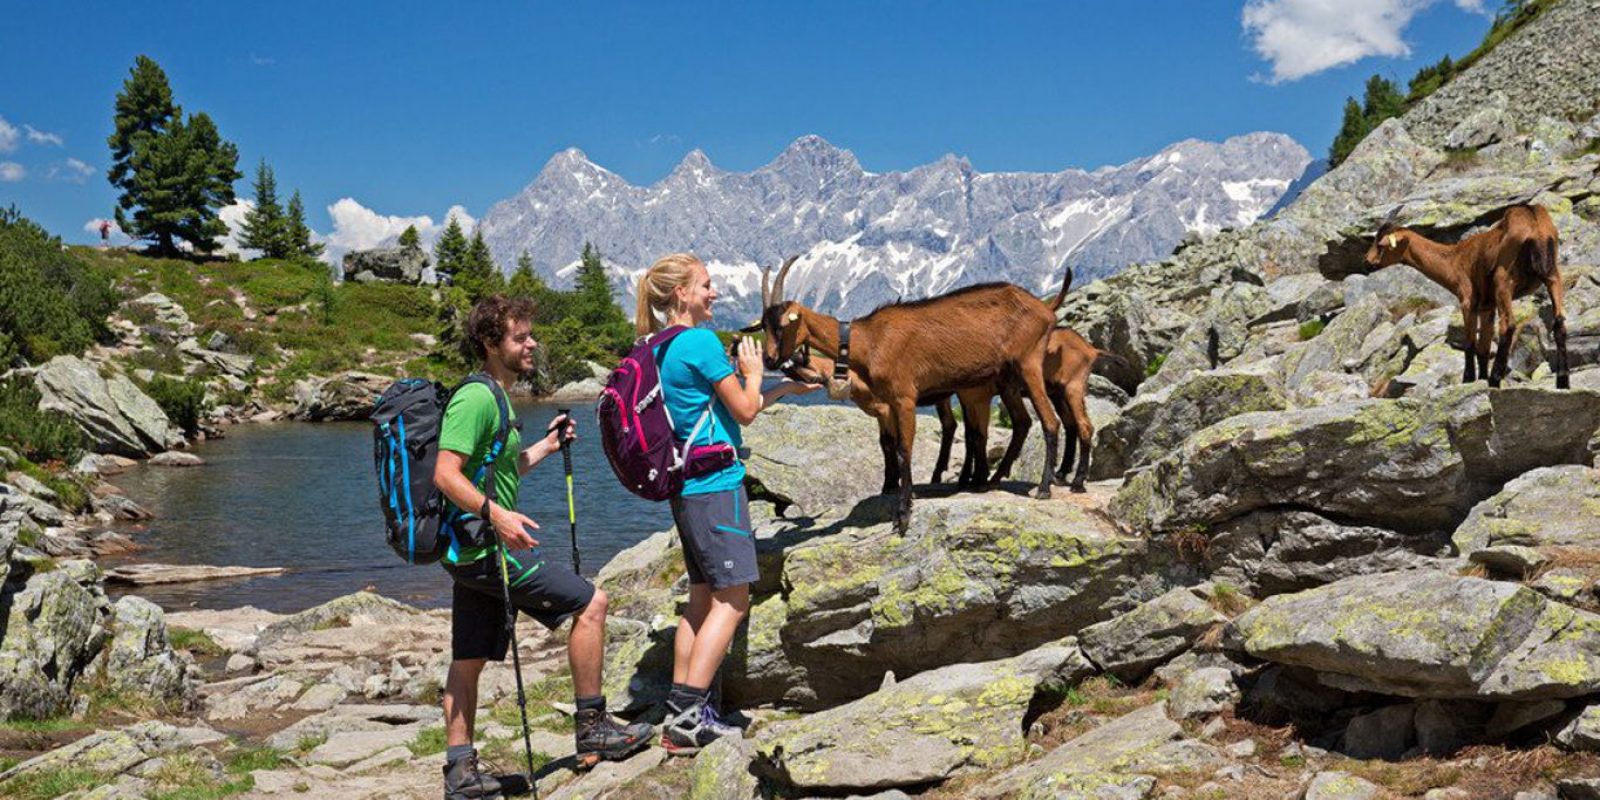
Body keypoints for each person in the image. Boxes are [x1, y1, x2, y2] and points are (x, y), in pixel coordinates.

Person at [433, 294, 652, 798]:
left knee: (467, 659)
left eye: (530, 334)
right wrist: (498, 516)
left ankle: (460, 774)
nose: (532, 343)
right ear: (491, 344)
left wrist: (547, 448)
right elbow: (447, 474)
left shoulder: (497, 396)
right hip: (490, 549)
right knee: (591, 603)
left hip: (469, 552)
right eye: (520, 337)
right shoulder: (477, 399)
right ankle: (593, 727)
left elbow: (499, 470)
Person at [633, 253, 819, 755]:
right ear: (681, 295)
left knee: (700, 601)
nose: (714, 293)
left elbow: (725, 409)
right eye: (707, 285)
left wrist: (782, 387)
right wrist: (754, 371)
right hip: (716, 487)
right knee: (734, 599)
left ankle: (681, 710)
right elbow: (744, 409)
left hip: (686, 487)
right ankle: (690, 719)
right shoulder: (697, 341)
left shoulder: (657, 345)